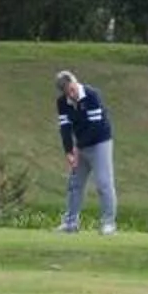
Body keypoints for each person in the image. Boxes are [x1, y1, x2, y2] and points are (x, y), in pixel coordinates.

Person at [53, 69, 117, 234]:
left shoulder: (91, 95)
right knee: (75, 184)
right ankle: (70, 222)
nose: (72, 94)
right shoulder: (62, 103)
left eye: (72, 89)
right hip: (81, 145)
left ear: (75, 82)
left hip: (100, 142)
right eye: (68, 92)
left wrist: (78, 147)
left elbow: (95, 127)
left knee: (103, 183)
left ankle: (108, 223)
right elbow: (65, 128)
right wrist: (68, 151)